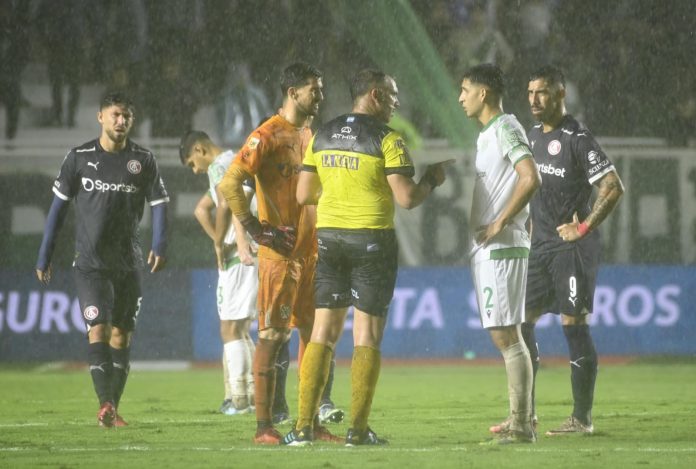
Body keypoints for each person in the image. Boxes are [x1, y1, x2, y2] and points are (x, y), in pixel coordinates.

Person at [282, 68, 449, 446]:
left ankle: (302, 427)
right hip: (372, 242)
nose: (396, 102)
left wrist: (340, 188)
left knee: (322, 333)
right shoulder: (388, 139)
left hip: (330, 241)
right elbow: (406, 199)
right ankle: (357, 430)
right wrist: (431, 181)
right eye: (391, 95)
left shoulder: (321, 134)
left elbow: (304, 194)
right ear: (373, 95)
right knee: (367, 335)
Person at [495, 65, 623, 436]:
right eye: (530, 92)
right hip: (540, 248)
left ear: (560, 94)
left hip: (573, 249)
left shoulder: (577, 138)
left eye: (543, 93)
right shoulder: (531, 136)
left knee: (573, 324)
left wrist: (583, 227)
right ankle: (524, 416)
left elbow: (613, 187)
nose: (534, 100)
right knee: (521, 324)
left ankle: (581, 419)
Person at [217, 62, 340, 445]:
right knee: (271, 336)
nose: (319, 96)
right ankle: (263, 427)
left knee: (314, 337)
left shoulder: (308, 134)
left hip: (311, 254)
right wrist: (254, 228)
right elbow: (229, 183)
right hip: (280, 259)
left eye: (320, 89)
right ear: (292, 93)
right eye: (313, 90)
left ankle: (309, 423)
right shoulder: (266, 135)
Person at [35, 91, 169, 427]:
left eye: (126, 116)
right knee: (98, 328)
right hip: (90, 265)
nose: (121, 121)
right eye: (115, 115)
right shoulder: (79, 157)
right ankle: (104, 403)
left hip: (128, 264)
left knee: (121, 336)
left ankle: (112, 407)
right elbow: (57, 210)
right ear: (100, 118)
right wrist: (44, 255)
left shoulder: (143, 160)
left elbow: (160, 204)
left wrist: (160, 244)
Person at [459, 63, 541, 444]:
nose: (460, 97)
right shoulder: (488, 134)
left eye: (465, 90)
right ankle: (517, 419)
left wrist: (499, 223)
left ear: (484, 94)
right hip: (492, 249)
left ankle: (522, 424)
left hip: (502, 247)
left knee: (508, 335)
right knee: (505, 334)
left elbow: (530, 177)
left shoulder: (507, 127)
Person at [179, 130, 258, 416]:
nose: (195, 170)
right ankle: (248, 393)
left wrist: (218, 242)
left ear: (200, 149)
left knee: (229, 329)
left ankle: (238, 399)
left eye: (191, 163)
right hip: (253, 248)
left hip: (238, 251)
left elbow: (225, 203)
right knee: (241, 328)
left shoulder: (218, 166)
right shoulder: (236, 159)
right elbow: (203, 209)